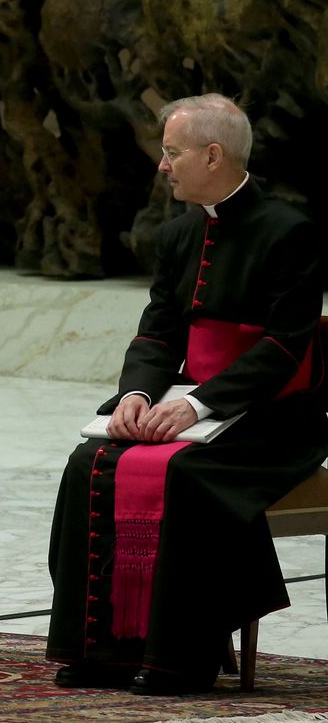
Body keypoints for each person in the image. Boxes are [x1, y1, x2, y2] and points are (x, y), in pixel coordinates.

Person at [46, 94, 328, 694]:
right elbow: (157, 331)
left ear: (213, 154)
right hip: (195, 406)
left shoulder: (292, 232)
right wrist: (137, 397)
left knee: (187, 475)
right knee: (89, 460)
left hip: (274, 417)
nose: (162, 164)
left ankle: (181, 658)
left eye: (171, 152)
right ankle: (99, 651)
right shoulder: (177, 234)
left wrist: (198, 404)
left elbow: (284, 347)